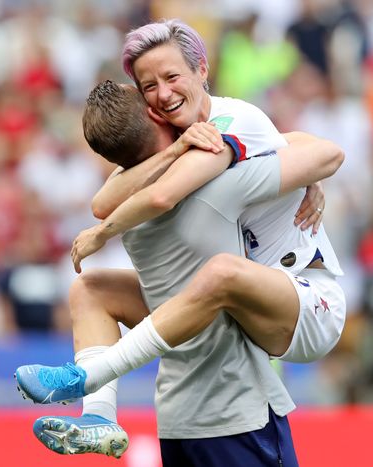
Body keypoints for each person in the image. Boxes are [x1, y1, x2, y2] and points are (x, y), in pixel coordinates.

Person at [17, 19, 345, 465]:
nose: (163, 93)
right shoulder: (180, 149)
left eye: (171, 77)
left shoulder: (229, 127)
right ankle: (99, 418)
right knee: (91, 287)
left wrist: (102, 233)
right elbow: (107, 198)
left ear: (202, 71)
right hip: (237, 314)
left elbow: (161, 194)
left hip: (305, 300)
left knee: (219, 274)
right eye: (149, 85)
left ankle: (89, 376)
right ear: (146, 108)